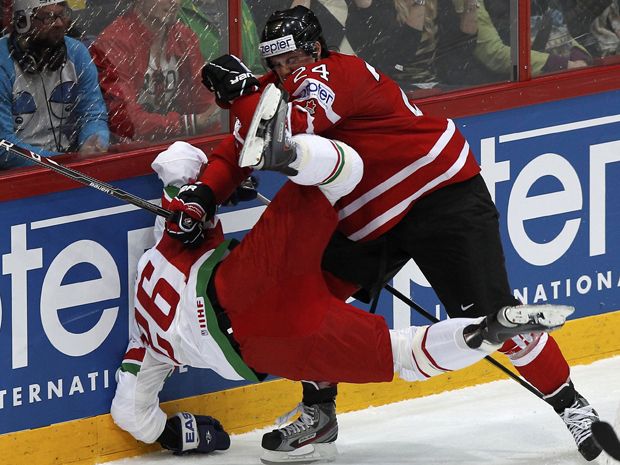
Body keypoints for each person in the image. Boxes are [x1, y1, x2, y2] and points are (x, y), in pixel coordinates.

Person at [190, 5, 603, 462]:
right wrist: (203, 197)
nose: (285, 72)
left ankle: (574, 408)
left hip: (439, 197)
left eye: (292, 60)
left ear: (314, 50)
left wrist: (245, 94)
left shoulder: (334, 75)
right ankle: (319, 414)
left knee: (496, 317)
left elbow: (289, 132)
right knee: (303, 302)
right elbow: (234, 151)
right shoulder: (277, 89)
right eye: (276, 65)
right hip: (369, 220)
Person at [110, 138, 572, 460]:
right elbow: (177, 161)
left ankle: (483, 332)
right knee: (324, 184)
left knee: (400, 354)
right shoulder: (174, 239)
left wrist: (183, 436)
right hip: (247, 279)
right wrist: (212, 193)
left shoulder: (144, 350)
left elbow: (131, 412)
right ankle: (301, 151)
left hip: (262, 341)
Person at [90, 0, 219, 144]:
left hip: (177, 145)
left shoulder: (185, 37)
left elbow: (205, 101)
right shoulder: (114, 42)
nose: (174, 2)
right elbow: (125, 119)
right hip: (129, 152)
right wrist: (187, 124)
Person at [0, 0, 109, 169]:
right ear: (23, 22)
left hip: (66, 164)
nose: (59, 24)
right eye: (49, 18)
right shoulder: (2, 63)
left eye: (62, 15)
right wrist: (67, 162)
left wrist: (94, 143)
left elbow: (93, 114)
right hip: (16, 175)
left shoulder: (77, 53)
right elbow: (4, 147)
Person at [473, 0, 592, 81]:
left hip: (561, 75)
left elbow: (557, 27)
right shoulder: (474, 4)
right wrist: (560, 64)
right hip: (508, 87)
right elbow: (492, 52)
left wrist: (578, 56)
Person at [178, 0, 264, 73]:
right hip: (209, 89)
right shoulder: (179, 11)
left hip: (249, 88)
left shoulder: (238, 5)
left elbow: (256, 62)